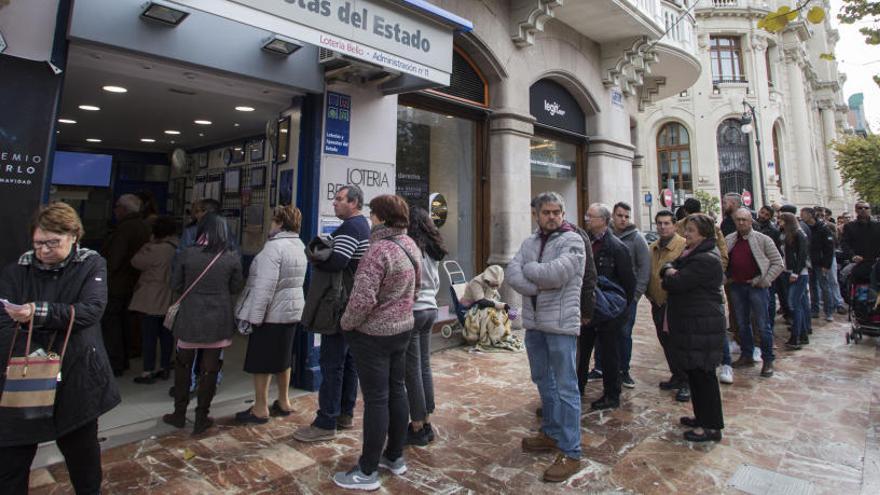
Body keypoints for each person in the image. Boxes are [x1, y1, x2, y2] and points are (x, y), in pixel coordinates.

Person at [0, 202, 120, 494]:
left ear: (74, 236)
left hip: (75, 373)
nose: (44, 251)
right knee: (11, 460)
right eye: (39, 243)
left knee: (83, 457)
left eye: (53, 243)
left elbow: (90, 310)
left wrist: (36, 313)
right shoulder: (17, 271)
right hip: (25, 376)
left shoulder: (91, 264)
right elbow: (4, 320)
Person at [332, 194, 421, 491]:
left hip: (374, 336)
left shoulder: (377, 250)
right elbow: (417, 287)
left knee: (377, 400)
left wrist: (346, 324)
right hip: (403, 330)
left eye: (372, 214)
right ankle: (394, 456)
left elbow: (362, 299)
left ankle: (367, 470)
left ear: (381, 217)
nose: (370, 219)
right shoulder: (410, 245)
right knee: (397, 391)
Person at [506, 191, 586, 483]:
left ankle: (571, 450)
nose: (551, 217)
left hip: (561, 325)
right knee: (542, 379)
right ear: (536, 215)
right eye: (546, 212)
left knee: (566, 387)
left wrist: (532, 273)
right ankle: (551, 432)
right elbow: (512, 274)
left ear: (563, 214)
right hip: (535, 324)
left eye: (556, 212)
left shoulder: (573, 241)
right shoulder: (529, 242)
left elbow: (557, 274)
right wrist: (537, 285)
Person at [295, 185, 370, 443]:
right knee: (348, 363)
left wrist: (316, 257)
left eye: (339, 199)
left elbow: (338, 260)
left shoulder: (351, 227)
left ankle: (326, 421)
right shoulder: (361, 226)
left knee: (332, 363)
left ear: (354, 202)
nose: (334, 203)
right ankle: (344, 414)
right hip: (352, 303)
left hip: (339, 306)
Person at [163, 213, 244, 435]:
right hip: (219, 319)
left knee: (183, 366)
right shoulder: (231, 257)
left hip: (189, 317)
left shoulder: (188, 254)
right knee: (210, 369)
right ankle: (201, 417)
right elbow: (236, 286)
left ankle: (179, 413)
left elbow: (176, 283)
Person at [234, 205, 307, 424]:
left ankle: (260, 408)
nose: (270, 224)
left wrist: (255, 318)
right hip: (291, 312)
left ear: (280, 223)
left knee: (261, 363)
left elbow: (264, 288)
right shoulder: (299, 245)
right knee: (283, 358)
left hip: (271, 314)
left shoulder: (273, 248)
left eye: (274, 221)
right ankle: (284, 402)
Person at [661, 213, 726, 443]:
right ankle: (702, 418)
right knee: (697, 375)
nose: (685, 234)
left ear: (704, 234)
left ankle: (710, 426)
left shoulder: (705, 258)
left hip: (702, 324)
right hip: (695, 323)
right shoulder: (694, 253)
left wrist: (670, 273)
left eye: (690, 231)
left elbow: (675, 281)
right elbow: (668, 269)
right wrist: (670, 271)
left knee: (704, 376)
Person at [578, 203, 635, 410]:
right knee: (582, 351)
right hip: (588, 308)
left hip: (608, 311)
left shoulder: (617, 247)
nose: (587, 219)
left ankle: (612, 394)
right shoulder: (587, 241)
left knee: (610, 353)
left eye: (591, 216)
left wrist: (620, 309)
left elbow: (629, 282)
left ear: (603, 220)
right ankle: (578, 387)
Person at [403, 206, 447, 446]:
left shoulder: (412, 248)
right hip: (431, 309)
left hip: (416, 308)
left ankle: (417, 424)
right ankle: (427, 417)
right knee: (424, 366)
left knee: (412, 369)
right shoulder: (432, 249)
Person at [725, 208, 784, 378]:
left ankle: (768, 360)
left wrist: (765, 280)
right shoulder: (730, 239)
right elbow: (723, 261)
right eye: (738, 220)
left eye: (744, 219)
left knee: (762, 325)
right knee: (742, 324)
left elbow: (777, 263)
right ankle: (746, 354)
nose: (741, 223)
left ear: (751, 221)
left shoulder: (763, 239)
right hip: (737, 286)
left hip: (756, 287)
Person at [101, 193, 151, 376]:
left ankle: (115, 361)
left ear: (123, 209)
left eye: (117, 207)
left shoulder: (125, 229)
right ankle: (125, 356)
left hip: (119, 283)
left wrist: (105, 274)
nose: (115, 211)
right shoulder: (143, 226)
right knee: (126, 321)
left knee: (112, 323)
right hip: (134, 282)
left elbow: (116, 257)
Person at [646, 209, 691, 401]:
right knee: (665, 341)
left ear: (674, 225)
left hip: (676, 304)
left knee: (680, 343)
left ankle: (686, 382)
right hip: (657, 303)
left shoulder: (683, 246)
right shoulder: (653, 247)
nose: (663, 227)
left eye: (666, 223)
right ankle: (677, 375)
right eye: (659, 224)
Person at [129, 215, 178, 384]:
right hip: (170, 295)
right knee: (167, 334)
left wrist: (148, 244)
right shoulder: (177, 248)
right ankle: (165, 366)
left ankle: (148, 370)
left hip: (152, 295)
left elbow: (136, 262)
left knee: (149, 335)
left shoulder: (153, 249)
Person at [608, 202, 650, 389]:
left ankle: (624, 370)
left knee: (624, 333)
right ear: (613, 216)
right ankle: (602, 367)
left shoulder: (637, 238)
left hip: (627, 297)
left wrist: (636, 295)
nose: (623, 219)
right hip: (607, 295)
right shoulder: (605, 235)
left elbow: (644, 268)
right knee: (604, 334)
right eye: (620, 215)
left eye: (626, 216)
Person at [460, 265, 522, 351]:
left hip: (482, 305)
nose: (495, 287)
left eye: (497, 285)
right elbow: (482, 302)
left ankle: (501, 336)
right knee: (490, 313)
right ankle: (493, 338)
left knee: (502, 312)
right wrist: (502, 305)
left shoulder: (490, 284)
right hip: (472, 307)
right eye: (494, 285)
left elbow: (492, 300)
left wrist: (505, 306)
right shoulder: (476, 282)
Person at [778, 213, 811, 349]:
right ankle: (802, 334)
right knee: (798, 303)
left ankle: (796, 337)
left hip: (798, 274)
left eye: (781, 220)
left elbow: (802, 255)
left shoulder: (798, 234)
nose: (778, 222)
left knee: (794, 304)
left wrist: (796, 272)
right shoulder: (786, 235)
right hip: (789, 271)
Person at [801, 207, 836, 322]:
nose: (801, 216)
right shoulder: (804, 228)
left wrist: (827, 265)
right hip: (810, 262)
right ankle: (815, 310)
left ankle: (829, 311)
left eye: (803, 214)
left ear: (810, 215)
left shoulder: (823, 228)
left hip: (821, 263)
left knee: (825, 287)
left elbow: (829, 248)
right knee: (812, 287)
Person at [757, 206, 787, 329]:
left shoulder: (773, 231)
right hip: (757, 268)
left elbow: (777, 253)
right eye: (762, 212)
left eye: (766, 214)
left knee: (770, 298)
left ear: (770, 217)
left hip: (768, 268)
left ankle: (769, 324)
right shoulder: (754, 226)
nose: (762, 216)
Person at [841, 201, 880, 285]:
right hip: (859, 263)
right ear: (856, 210)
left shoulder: (877, 225)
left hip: (876, 262)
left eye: (866, 208)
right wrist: (853, 256)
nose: (863, 210)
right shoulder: (849, 226)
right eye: (860, 208)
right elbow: (844, 244)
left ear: (870, 210)